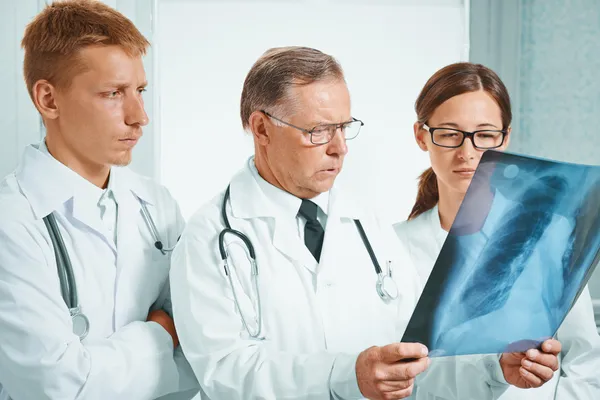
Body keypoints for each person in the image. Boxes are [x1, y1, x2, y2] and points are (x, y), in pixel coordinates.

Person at [169, 47, 561, 400]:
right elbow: (223, 372)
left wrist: (495, 369)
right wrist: (348, 375)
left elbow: (418, 360)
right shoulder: (212, 236)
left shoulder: (366, 224)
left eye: (343, 127)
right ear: (261, 128)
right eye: (318, 130)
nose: (339, 147)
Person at [0, 1, 198, 399]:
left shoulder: (155, 204)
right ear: (48, 100)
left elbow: (199, 358)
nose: (139, 116)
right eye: (113, 94)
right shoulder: (11, 220)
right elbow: (53, 387)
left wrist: (95, 366)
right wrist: (161, 332)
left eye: (140, 91)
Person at [394, 62, 600, 399]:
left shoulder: (551, 234)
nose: (468, 152)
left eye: (485, 134)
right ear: (421, 136)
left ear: (505, 138)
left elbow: (586, 362)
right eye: (449, 134)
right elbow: (396, 376)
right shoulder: (390, 248)